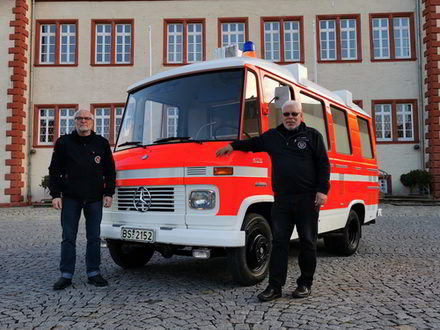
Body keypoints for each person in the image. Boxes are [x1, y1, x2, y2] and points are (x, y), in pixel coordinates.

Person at [216, 100, 330, 301]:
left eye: (294, 114)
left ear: (301, 116)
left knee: (308, 242)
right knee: (279, 243)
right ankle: (275, 287)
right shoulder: (273, 137)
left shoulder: (313, 136)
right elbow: (252, 144)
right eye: (287, 114)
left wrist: (322, 190)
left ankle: (305, 284)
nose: (290, 117)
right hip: (282, 200)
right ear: (282, 116)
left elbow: (323, 164)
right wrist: (231, 146)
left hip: (307, 199)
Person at [49, 109, 116, 290]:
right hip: (70, 198)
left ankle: (93, 272)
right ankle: (66, 274)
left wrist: (109, 192)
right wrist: (55, 195)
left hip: (94, 198)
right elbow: (54, 170)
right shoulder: (63, 143)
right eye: (79, 118)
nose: (83, 121)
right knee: (68, 237)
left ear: (92, 122)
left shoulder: (101, 143)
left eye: (87, 118)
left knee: (94, 237)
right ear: (75, 121)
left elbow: (109, 171)